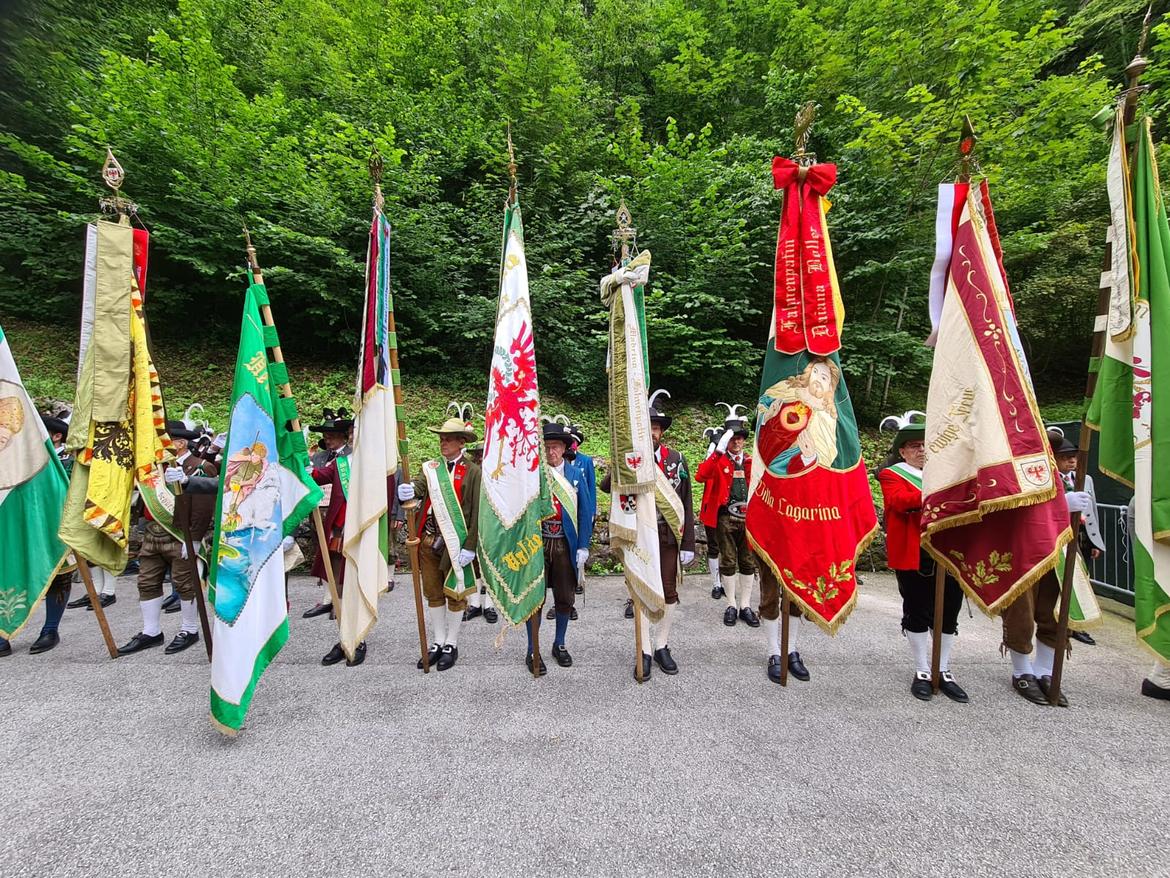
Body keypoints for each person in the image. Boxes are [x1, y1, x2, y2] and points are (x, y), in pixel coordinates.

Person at [602, 392, 695, 680]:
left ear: (661, 432)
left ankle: (661, 645)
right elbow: (606, 486)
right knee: (640, 590)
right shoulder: (630, 460)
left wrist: (688, 543)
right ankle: (643, 649)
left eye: (655, 428)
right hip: (640, 536)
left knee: (669, 592)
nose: (652, 433)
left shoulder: (676, 460)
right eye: (647, 428)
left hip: (667, 536)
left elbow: (686, 502)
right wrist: (621, 462)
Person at [877, 413, 967, 702]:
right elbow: (898, 502)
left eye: (926, 445)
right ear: (903, 451)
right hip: (915, 553)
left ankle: (943, 668)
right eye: (914, 445)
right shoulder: (893, 474)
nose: (921, 450)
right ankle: (922, 670)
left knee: (949, 612)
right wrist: (938, 493)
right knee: (917, 611)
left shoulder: (946, 475)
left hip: (949, 551)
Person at [117, 421, 218, 657]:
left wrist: (195, 538)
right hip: (153, 532)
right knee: (147, 580)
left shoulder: (199, 467)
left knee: (185, 583)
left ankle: (189, 629)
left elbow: (203, 507)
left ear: (180, 443)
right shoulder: (153, 469)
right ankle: (151, 631)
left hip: (180, 533)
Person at [396, 408, 481, 672]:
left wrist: (470, 547)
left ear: (462, 442)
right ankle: (438, 641)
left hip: (456, 544)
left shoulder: (473, 472)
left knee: (455, 593)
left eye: (449, 439)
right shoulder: (431, 469)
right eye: (441, 439)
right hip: (428, 540)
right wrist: (408, 490)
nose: (443, 443)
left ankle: (451, 644)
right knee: (432, 592)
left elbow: (478, 513)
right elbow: (419, 488)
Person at [526, 421, 594, 675]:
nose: (551, 451)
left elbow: (585, 511)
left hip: (565, 544)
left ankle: (560, 643)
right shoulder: (534, 475)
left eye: (555, 446)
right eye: (546, 447)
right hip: (537, 544)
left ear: (565, 448)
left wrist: (583, 545)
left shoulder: (575, 475)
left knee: (564, 597)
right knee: (535, 598)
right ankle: (533, 649)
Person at [695, 408, 759, 629]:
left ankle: (745, 605)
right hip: (725, 518)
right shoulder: (719, 460)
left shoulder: (751, 462)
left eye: (739, 438)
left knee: (748, 562)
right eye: (732, 438)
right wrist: (718, 451)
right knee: (728, 560)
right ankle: (731, 604)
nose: (737, 442)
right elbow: (700, 475)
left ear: (744, 440)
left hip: (748, 519)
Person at [1050, 431, 1103, 646]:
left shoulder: (1085, 479)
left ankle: (1076, 625)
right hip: (1060, 538)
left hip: (1082, 538)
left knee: (1081, 582)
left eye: (1074, 457)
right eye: (1065, 457)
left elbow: (1093, 510)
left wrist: (1095, 542)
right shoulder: (1050, 479)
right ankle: (1061, 624)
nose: (1071, 461)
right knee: (1061, 584)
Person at [303, 408, 353, 621]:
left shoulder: (361, 459)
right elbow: (319, 475)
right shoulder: (336, 462)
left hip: (352, 518)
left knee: (348, 562)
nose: (328, 439)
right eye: (326, 436)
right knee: (328, 557)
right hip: (330, 515)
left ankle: (345, 602)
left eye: (332, 435)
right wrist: (305, 466)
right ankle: (330, 599)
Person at [461, 443, 498, 624]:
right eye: (479, 455)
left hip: (493, 525)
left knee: (491, 565)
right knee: (473, 564)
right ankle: (475, 604)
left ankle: (489, 605)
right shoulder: (471, 473)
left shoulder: (499, 475)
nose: (482, 458)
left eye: (485, 454)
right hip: (472, 523)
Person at [699, 426, 725, 600]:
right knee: (714, 547)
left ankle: (726, 582)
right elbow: (703, 475)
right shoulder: (711, 462)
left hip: (726, 509)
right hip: (711, 510)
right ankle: (716, 583)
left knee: (729, 550)